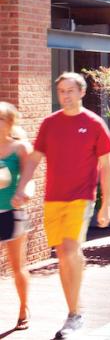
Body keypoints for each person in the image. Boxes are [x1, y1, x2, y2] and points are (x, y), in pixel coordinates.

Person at [14, 72, 110, 338]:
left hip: (81, 198)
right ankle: (74, 309)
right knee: (63, 255)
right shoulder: (49, 124)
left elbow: (106, 166)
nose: (65, 96)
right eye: (61, 91)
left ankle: (74, 315)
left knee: (70, 250)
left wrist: (106, 205)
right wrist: (22, 184)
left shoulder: (94, 124)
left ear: (82, 93)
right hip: (53, 198)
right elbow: (35, 158)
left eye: (70, 91)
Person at [0, 102, 31, 330]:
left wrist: (25, 194)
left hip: (12, 213)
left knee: (17, 266)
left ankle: (23, 308)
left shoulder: (20, 148)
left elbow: (30, 180)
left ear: (10, 123)